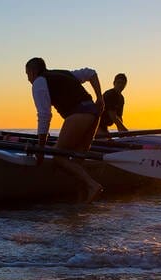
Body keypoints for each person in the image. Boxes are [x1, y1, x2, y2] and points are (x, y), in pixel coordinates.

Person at [25, 57, 104, 202]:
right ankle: (82, 197)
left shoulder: (39, 82)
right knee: (77, 159)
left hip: (78, 114)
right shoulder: (65, 74)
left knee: (58, 156)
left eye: (27, 75)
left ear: (32, 71)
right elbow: (90, 73)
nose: (28, 79)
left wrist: (41, 148)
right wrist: (100, 98)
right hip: (93, 113)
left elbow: (44, 115)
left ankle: (92, 185)